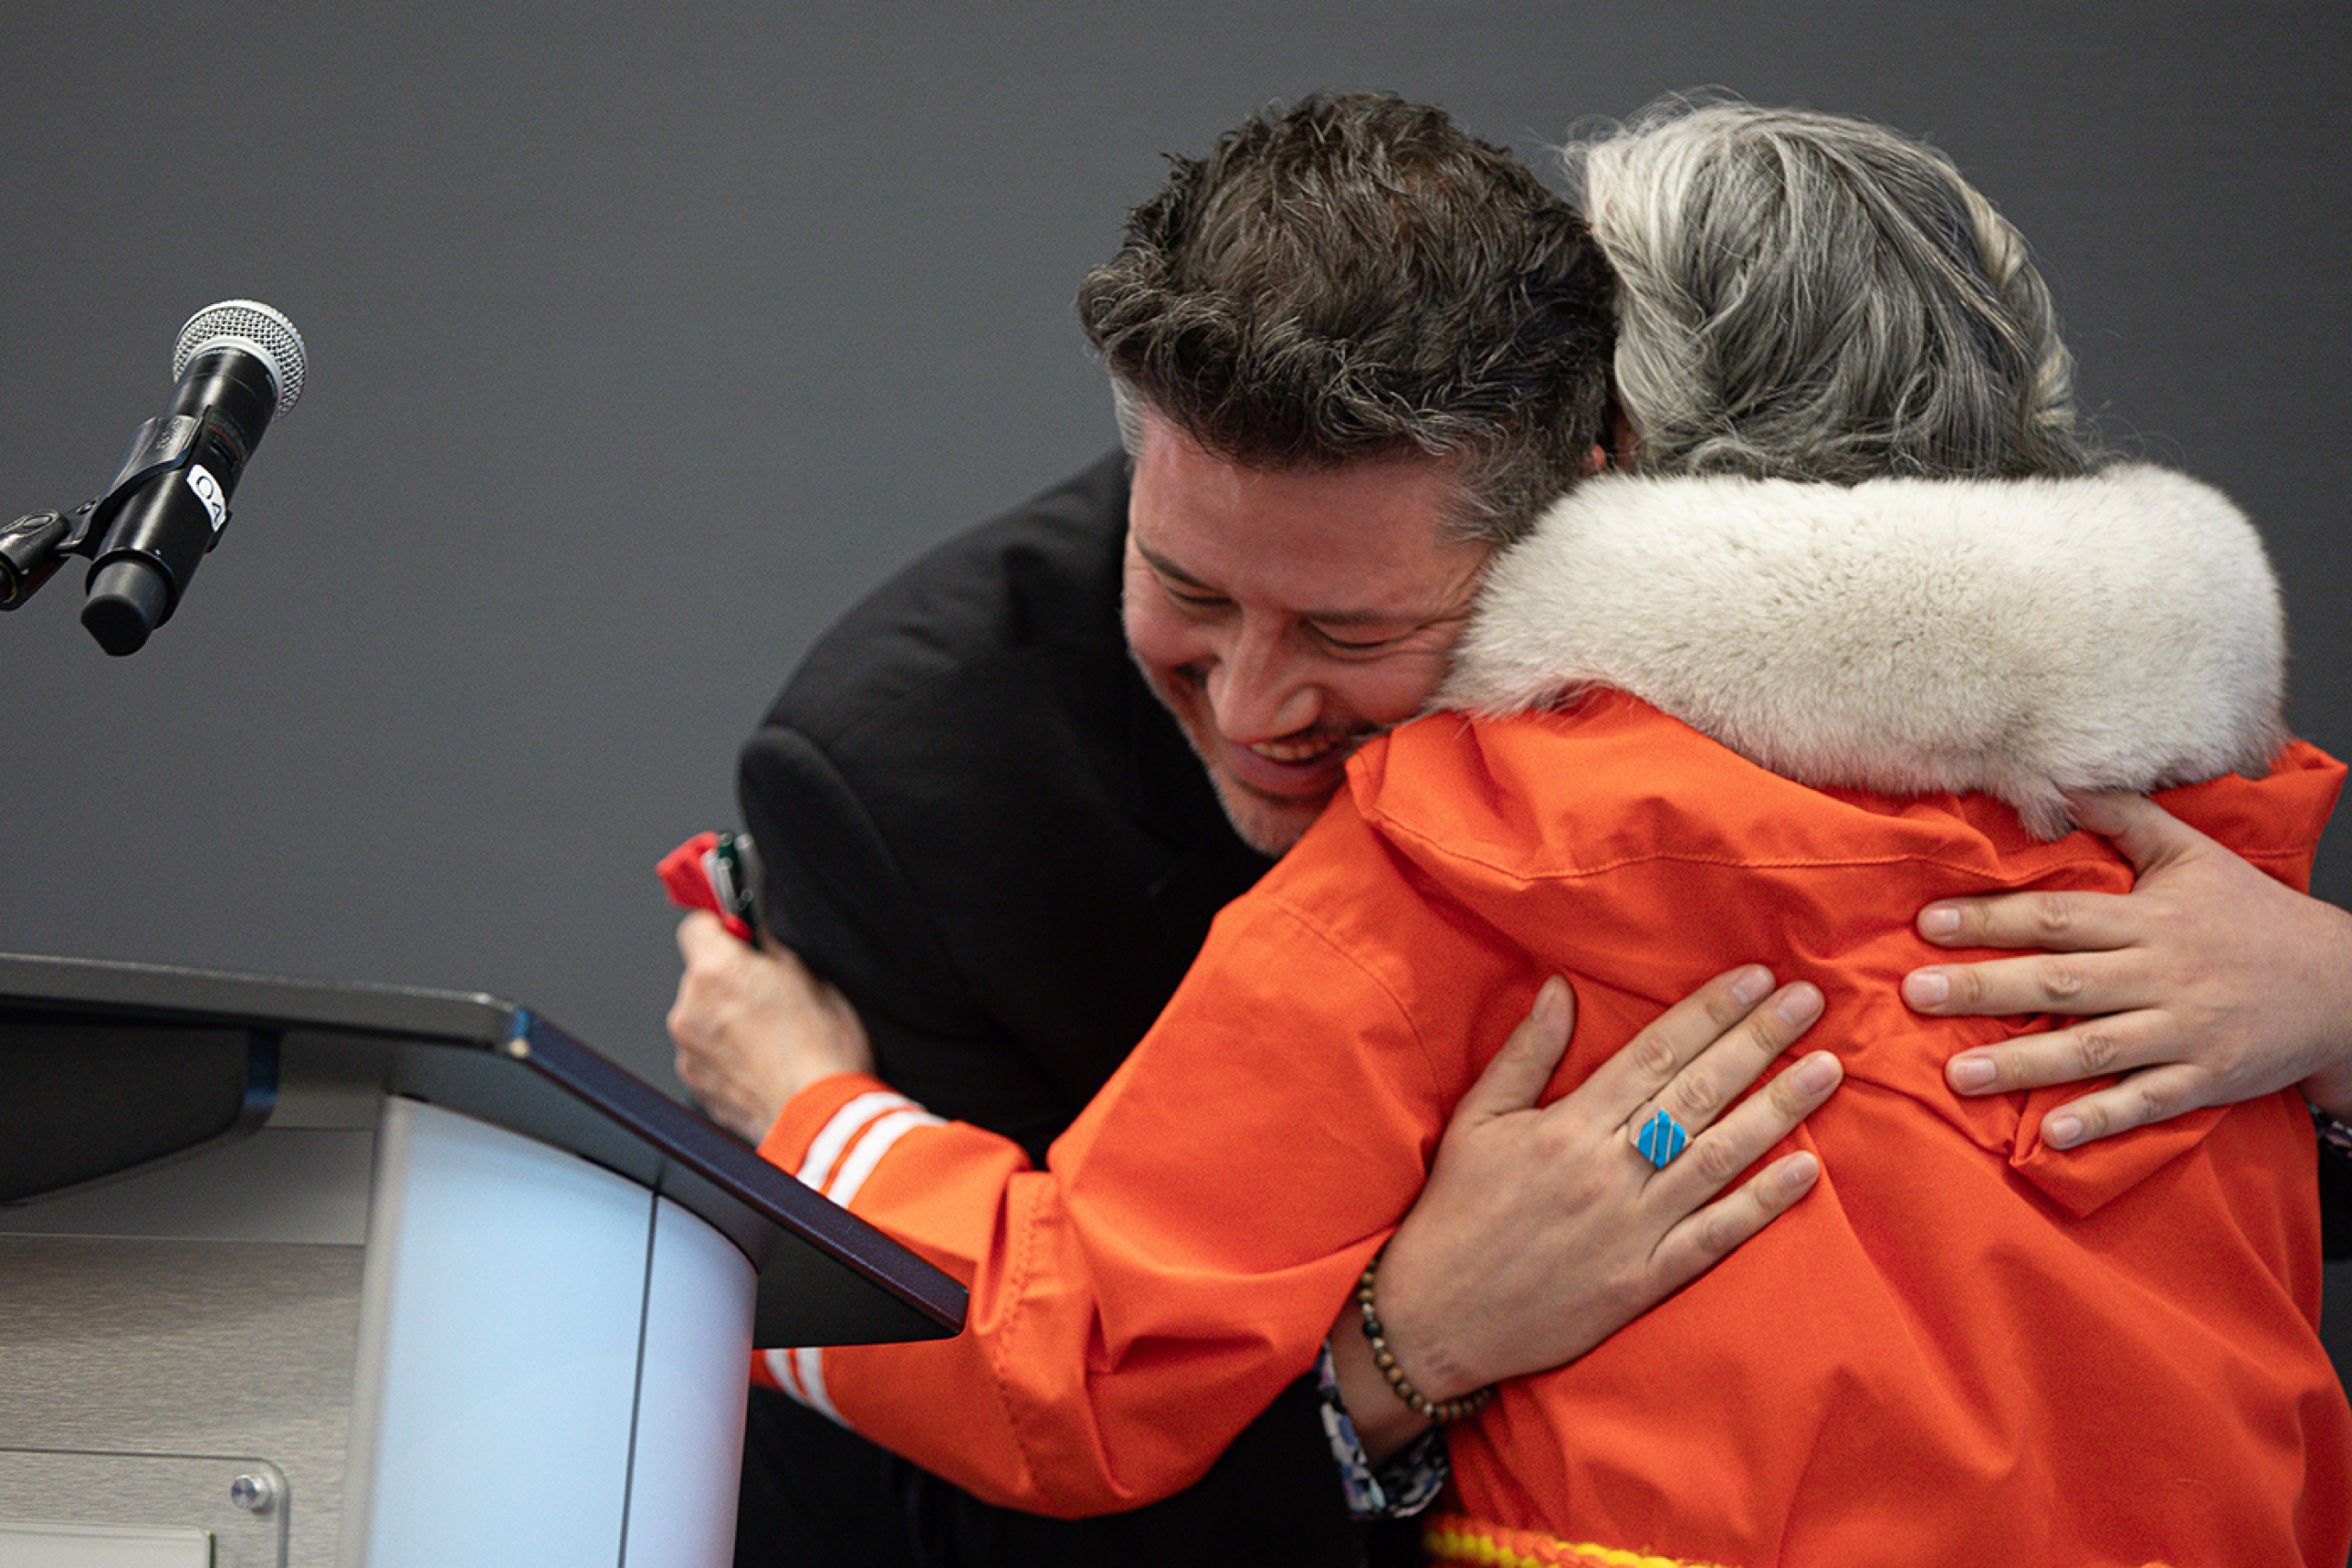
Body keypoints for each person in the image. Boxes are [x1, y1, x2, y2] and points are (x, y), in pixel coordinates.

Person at [672, 94, 2352, 1564]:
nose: (1258, 709)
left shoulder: (1481, 839)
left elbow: (1066, 1350)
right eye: (1189, 590)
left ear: (1587, 465)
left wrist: (803, 1123)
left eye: (1347, 634)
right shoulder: (2211, 820)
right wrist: (1397, 1354)